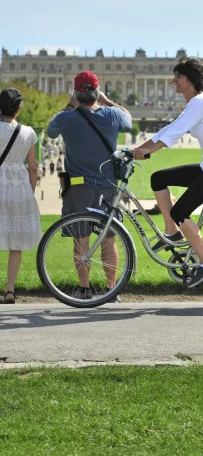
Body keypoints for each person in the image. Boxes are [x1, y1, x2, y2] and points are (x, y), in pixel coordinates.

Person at [133, 57, 203, 288]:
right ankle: (172, 233)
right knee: (158, 179)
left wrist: (148, 151)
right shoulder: (195, 103)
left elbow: (175, 132)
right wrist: (138, 149)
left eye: (178, 77)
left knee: (180, 211)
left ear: (190, 80)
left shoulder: (201, 102)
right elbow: (168, 129)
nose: (174, 81)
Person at [47, 72, 133, 301]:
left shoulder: (67, 117)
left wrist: (70, 104)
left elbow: (51, 131)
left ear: (76, 93)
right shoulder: (113, 115)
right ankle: (111, 290)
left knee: (81, 239)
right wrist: (107, 101)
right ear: (97, 92)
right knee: (108, 239)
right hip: (108, 186)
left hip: (78, 187)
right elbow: (129, 120)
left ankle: (84, 289)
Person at [0, 88, 42, 303]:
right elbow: (33, 167)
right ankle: (9, 290)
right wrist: (30, 191)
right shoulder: (28, 132)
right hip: (18, 187)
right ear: (20, 107)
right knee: (15, 242)